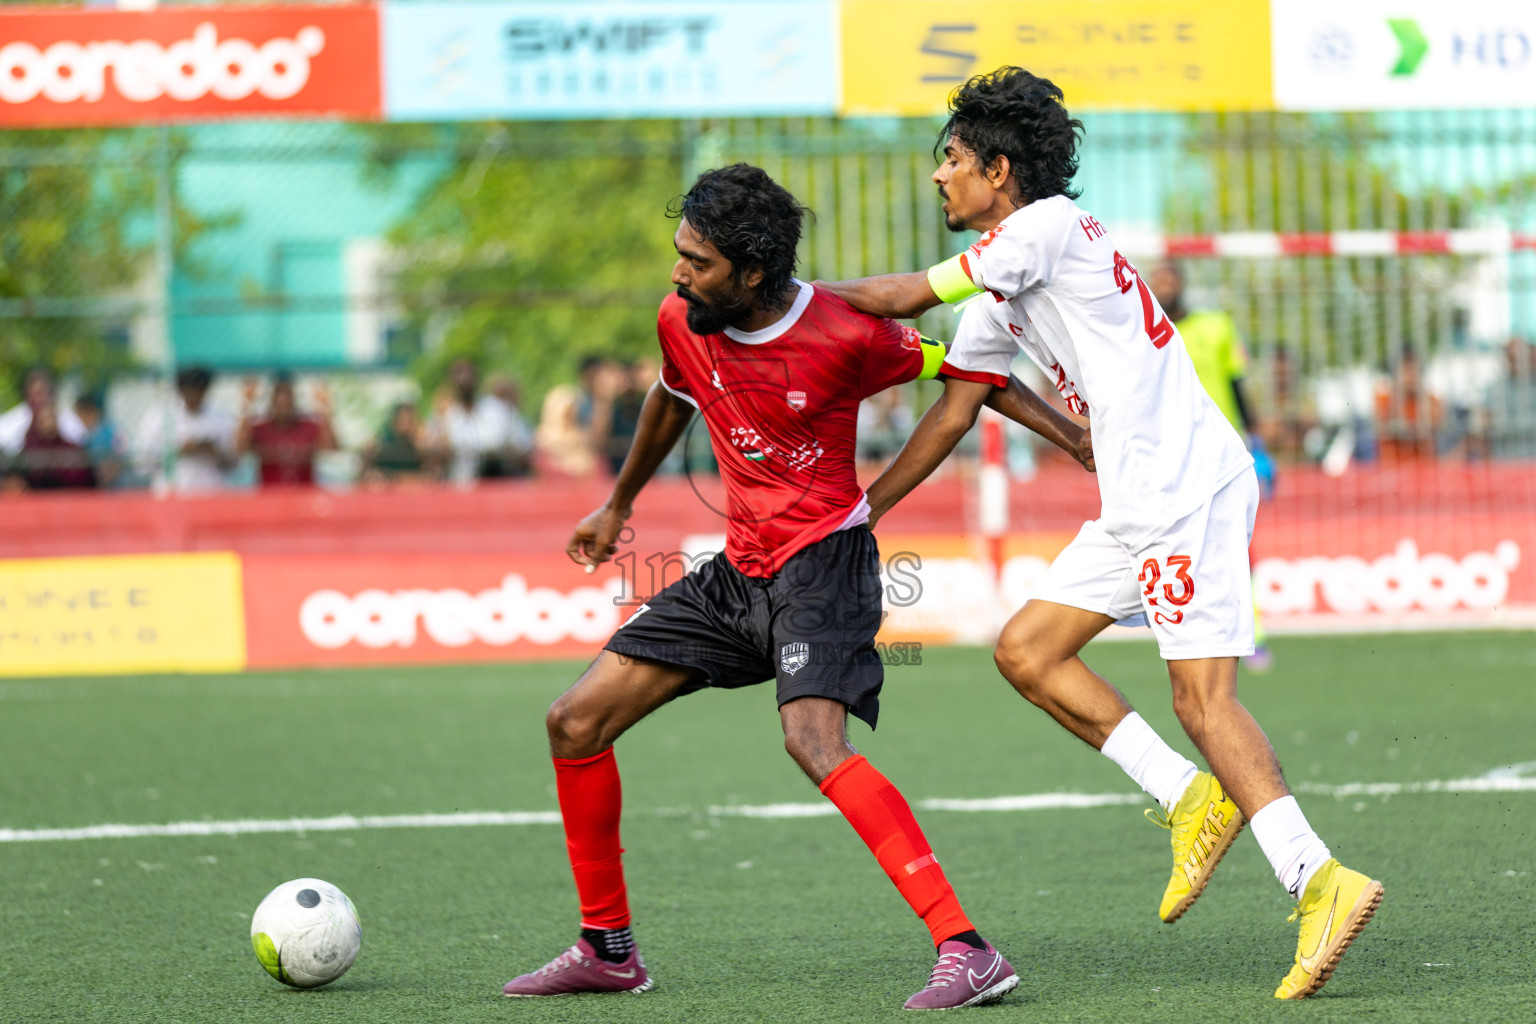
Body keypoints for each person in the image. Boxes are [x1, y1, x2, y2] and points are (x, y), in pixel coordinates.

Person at [820, 67, 1381, 1001]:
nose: (938, 178)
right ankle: (1188, 799)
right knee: (1028, 650)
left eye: (950, 160)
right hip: (1137, 495)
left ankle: (1319, 879)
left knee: (1204, 702)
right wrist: (865, 512)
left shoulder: (1037, 229)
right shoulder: (1003, 279)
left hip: (1179, 486)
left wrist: (781, 296)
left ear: (999, 169)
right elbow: (956, 413)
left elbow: (904, 297)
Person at [502, 164, 1091, 1010]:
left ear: (751, 275)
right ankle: (608, 948)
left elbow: (974, 375)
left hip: (825, 569)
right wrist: (617, 503)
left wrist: (1070, 434)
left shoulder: (846, 334)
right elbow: (672, 399)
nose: (678, 273)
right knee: (575, 721)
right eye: (679, 254)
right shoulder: (683, 317)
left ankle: (968, 949)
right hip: (736, 573)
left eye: (696, 262)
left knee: (813, 744)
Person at [1149, 264, 1274, 671]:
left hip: (1224, 449)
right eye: (1157, 280)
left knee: (1236, 543)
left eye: (1168, 279)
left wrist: (1257, 440)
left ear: (1182, 283)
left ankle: (1253, 634)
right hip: (1170, 450)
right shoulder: (1145, 329)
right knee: (1176, 544)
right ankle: (1186, 632)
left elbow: (1237, 384)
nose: (1162, 287)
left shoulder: (1217, 326)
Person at [132, 366, 237, 493]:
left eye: (201, 392)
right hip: (173, 494)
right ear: (181, 391)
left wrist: (213, 451)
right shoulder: (160, 417)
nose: (196, 397)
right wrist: (179, 451)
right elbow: (142, 463)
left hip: (210, 494)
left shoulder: (220, 416)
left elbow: (233, 465)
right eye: (192, 392)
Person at [431, 358, 534, 483]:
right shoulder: (449, 416)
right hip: (463, 487)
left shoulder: (498, 410)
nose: (463, 380)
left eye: (467, 374)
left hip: (500, 483)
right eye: (458, 374)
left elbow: (523, 448)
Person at [238, 373, 337, 488]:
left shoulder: (308, 427)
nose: (283, 403)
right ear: (272, 402)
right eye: (279, 400)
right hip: (271, 495)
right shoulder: (261, 428)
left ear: (294, 401)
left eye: (287, 400)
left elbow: (331, 447)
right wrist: (247, 405)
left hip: (303, 495)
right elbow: (240, 448)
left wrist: (324, 408)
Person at [0, 367, 87, 457]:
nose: (38, 399)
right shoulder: (14, 419)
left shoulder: (67, 418)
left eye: (41, 392)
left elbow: (80, 438)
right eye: (34, 393)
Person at [12, 404, 95, 490]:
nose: (48, 424)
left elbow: (83, 478)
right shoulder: (28, 450)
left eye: (50, 419)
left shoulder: (71, 449)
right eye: (43, 420)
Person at [361, 402, 432, 484]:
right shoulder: (383, 443)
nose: (408, 425)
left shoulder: (419, 447)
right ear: (395, 421)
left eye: (411, 421)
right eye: (405, 420)